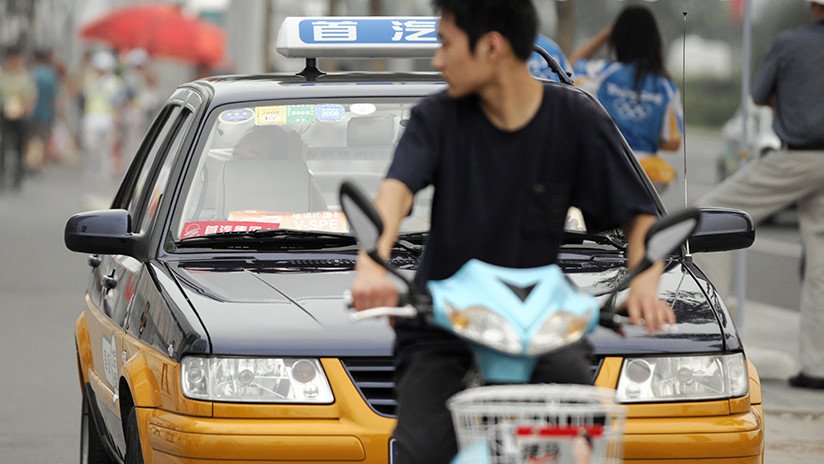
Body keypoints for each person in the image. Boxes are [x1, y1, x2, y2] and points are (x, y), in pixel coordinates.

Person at [348, 1, 674, 462]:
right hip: (443, 322)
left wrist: (644, 282)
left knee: (582, 443)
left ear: (492, 46)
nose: (438, 61)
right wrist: (370, 266)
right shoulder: (436, 118)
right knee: (422, 452)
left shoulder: (576, 119)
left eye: (445, 44)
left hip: (540, 325)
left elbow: (639, 214)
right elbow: (395, 194)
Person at [697, 0, 824, 390]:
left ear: (811, 5)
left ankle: (708, 341)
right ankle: (816, 367)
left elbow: (758, 95)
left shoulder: (789, 43)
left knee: (708, 213)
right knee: (820, 261)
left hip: (799, 156)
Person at [569, 6, 683, 191]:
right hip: (647, 175)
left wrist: (604, 34)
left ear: (617, 38)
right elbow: (673, 142)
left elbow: (568, 67)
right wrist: (644, 135)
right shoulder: (665, 85)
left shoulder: (603, 73)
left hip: (606, 167)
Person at [0, 47, 37, 192]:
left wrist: (25, 108)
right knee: (3, 147)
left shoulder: (24, 77)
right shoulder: (4, 77)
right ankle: (2, 176)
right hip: (5, 116)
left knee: (19, 147)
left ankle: (17, 177)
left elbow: (30, 96)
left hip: (20, 117)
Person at [30, 49, 59, 170]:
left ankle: (34, 161)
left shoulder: (32, 73)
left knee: (34, 137)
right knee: (43, 137)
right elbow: (54, 96)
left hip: (33, 111)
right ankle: (39, 161)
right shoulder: (50, 74)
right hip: (47, 111)